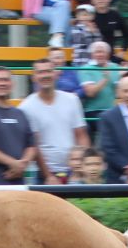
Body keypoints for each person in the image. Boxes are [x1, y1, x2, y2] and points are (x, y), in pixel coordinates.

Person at [19, 55, 88, 183]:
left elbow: (81, 136)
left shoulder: (72, 100)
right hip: (42, 174)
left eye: (48, 71)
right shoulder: (26, 107)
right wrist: (48, 175)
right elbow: (34, 145)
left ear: (56, 74)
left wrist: (81, 167)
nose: (45, 75)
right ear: (34, 77)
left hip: (74, 172)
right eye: (40, 72)